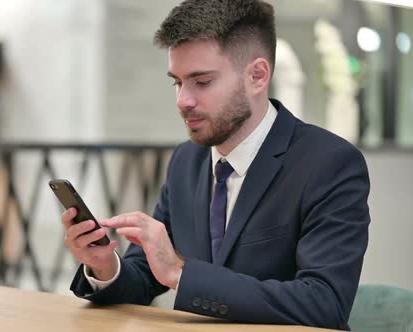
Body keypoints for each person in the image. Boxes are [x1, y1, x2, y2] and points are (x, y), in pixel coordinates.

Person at [62, 0, 370, 330]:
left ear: (257, 76)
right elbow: (149, 274)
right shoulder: (186, 161)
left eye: (202, 81)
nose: (183, 100)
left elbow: (324, 304)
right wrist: (105, 267)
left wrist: (180, 274)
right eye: (177, 82)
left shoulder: (330, 164)